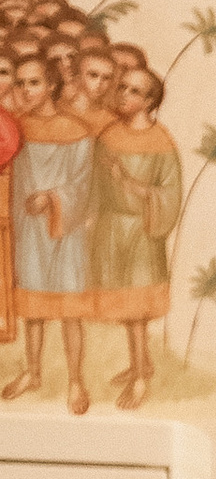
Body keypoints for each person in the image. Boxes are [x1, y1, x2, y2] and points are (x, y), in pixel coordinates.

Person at [4, 39, 97, 413]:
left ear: (52, 85)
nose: (25, 91)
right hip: (29, 231)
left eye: (34, 82)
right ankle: (33, 371)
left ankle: (75, 380)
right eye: (21, 83)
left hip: (65, 231)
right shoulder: (17, 128)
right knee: (34, 308)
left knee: (69, 310)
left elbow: (83, 183)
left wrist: (52, 197)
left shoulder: (76, 129)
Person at [90, 63, 180, 406]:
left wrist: (131, 185)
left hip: (143, 232)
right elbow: (96, 187)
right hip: (112, 230)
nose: (125, 95)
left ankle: (141, 377)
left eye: (135, 91)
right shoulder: (109, 136)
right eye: (123, 87)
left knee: (139, 308)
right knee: (127, 307)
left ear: (150, 101)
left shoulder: (161, 142)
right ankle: (141, 363)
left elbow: (169, 195)